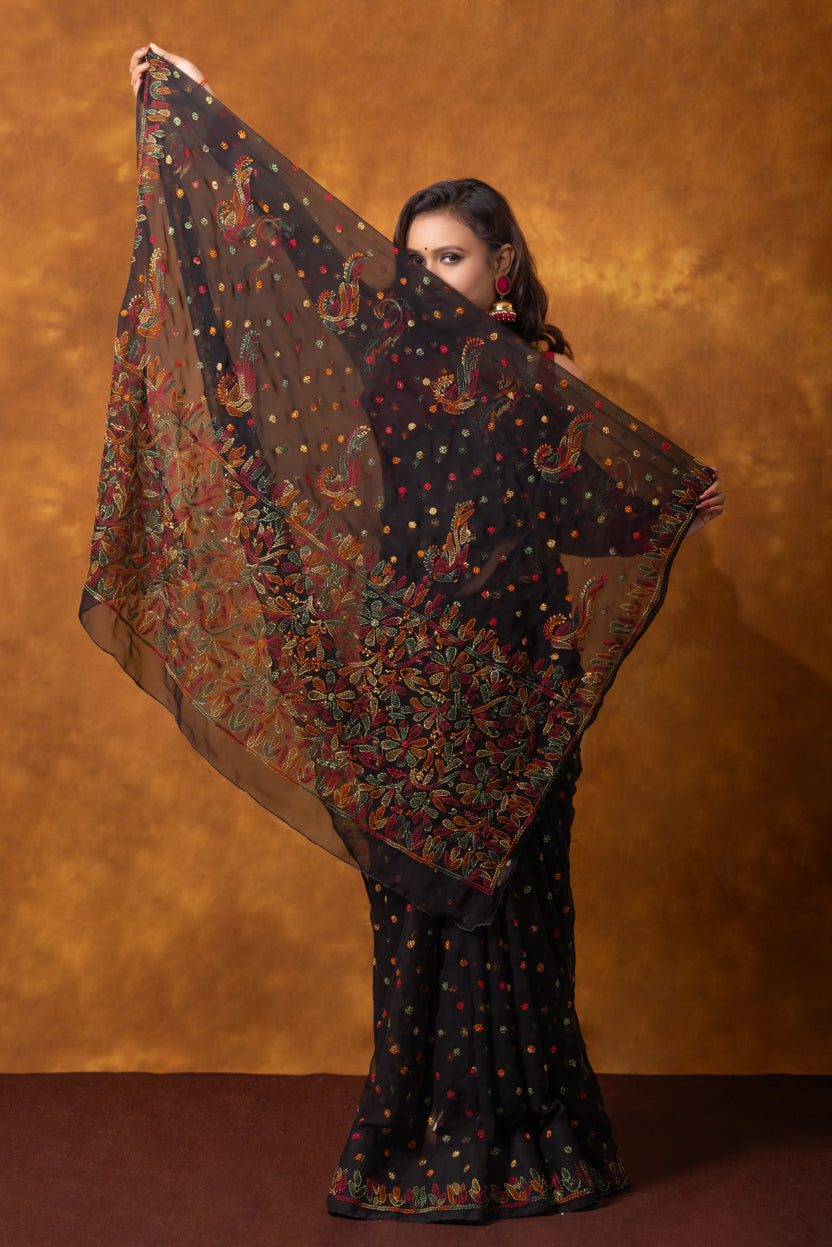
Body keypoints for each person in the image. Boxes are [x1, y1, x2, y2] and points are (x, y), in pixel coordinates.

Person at [119, 45, 724, 1222]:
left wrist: (661, 504)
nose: (429, 276)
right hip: (411, 665)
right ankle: (412, 1140)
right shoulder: (381, 359)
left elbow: (572, 514)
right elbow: (282, 249)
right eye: (415, 260)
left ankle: (537, 1141)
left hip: (520, 669)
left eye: (451, 256)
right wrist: (191, 109)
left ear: (502, 266)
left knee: (523, 901)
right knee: (419, 898)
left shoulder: (545, 381)